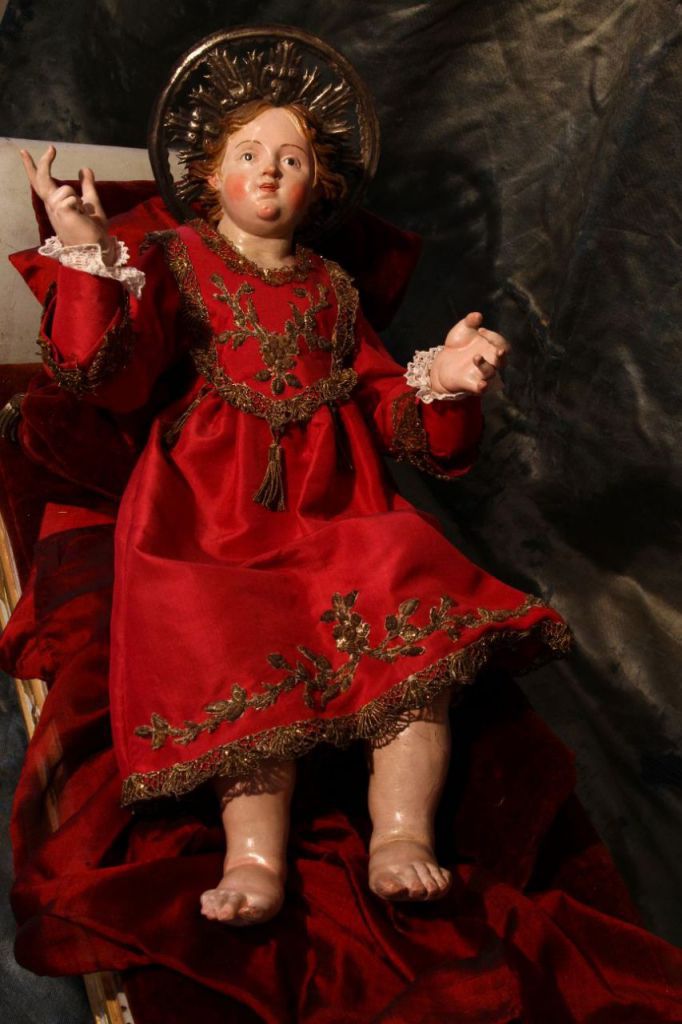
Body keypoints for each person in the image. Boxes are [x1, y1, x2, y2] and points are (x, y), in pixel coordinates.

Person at [18, 31, 570, 928]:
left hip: (341, 511)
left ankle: (401, 836)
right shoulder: (174, 260)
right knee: (239, 646)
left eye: (291, 158)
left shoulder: (334, 290)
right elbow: (107, 375)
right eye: (248, 154)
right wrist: (85, 250)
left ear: (321, 186)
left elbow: (393, 414)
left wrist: (446, 382)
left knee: (414, 643)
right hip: (207, 516)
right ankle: (255, 857)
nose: (269, 170)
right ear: (209, 174)